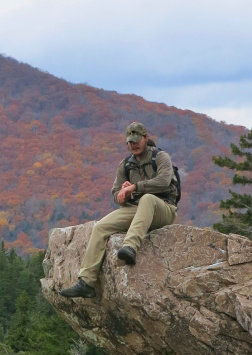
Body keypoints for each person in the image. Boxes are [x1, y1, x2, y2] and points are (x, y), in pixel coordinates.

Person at [60, 122, 178, 298]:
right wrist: (124, 194)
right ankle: (86, 281)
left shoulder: (160, 157)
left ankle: (130, 246)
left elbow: (163, 181)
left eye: (137, 140)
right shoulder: (126, 164)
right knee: (100, 227)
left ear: (146, 138)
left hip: (164, 209)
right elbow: (115, 193)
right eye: (130, 142)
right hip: (138, 209)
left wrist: (135, 187)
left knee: (147, 199)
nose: (134, 145)